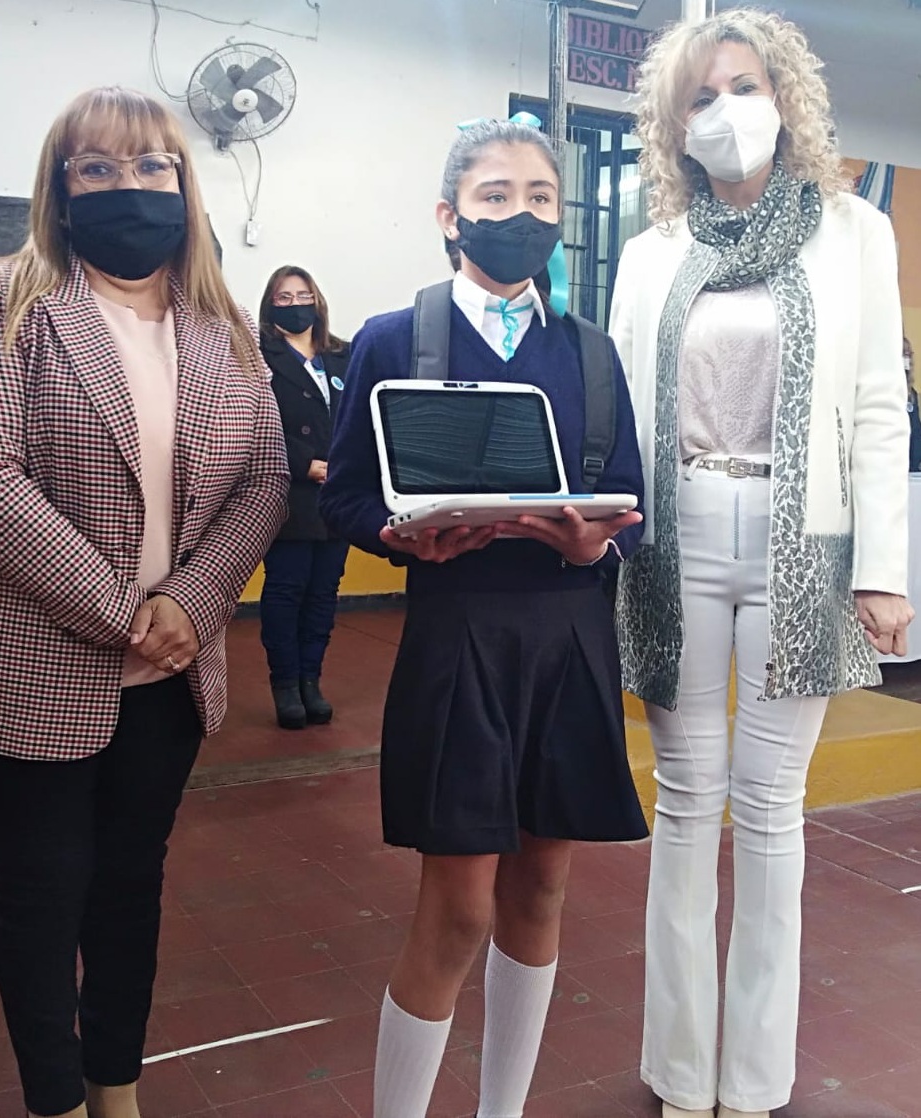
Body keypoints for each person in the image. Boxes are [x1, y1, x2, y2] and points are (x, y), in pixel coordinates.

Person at [0, 87, 288, 1118]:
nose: (130, 186)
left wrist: (195, 602)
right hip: (23, 668)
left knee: (129, 890)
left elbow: (265, 479)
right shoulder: (6, 298)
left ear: (184, 182)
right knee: (42, 896)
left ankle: (114, 1087)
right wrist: (125, 612)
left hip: (169, 677)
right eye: (100, 167)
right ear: (63, 188)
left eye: (151, 166)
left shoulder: (226, 324)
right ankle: (57, 1100)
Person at [608, 11, 914, 1118]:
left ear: (784, 98)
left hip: (803, 541)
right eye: (700, 96)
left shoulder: (852, 231)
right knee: (687, 803)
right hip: (675, 537)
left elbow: (876, 407)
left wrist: (883, 567)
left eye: (743, 86)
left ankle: (752, 1079)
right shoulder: (651, 250)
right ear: (673, 124)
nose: (724, 111)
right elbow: (616, 411)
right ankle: (680, 1071)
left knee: (772, 811)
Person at [320, 116, 649, 1118]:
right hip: (456, 630)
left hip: (568, 634)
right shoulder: (394, 339)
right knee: (459, 907)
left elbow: (631, 501)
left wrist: (596, 545)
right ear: (449, 215)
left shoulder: (590, 354)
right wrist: (399, 535)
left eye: (539, 197)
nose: (519, 214)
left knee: (540, 889)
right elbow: (345, 496)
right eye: (495, 196)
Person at [257, 266, 350, 728]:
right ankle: (286, 684)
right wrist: (304, 463)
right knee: (286, 591)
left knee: (323, 594)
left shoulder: (343, 355)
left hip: (337, 496)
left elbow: (363, 414)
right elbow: (255, 421)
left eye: (303, 295)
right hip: (289, 494)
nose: (295, 305)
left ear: (317, 300)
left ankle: (312, 680)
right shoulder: (257, 356)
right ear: (270, 305)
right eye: (284, 298)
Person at [905, 336, 921, 472]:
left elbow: (916, 430)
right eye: (904, 354)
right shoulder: (889, 392)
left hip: (912, 467)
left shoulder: (912, 394)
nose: (907, 359)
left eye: (909, 354)